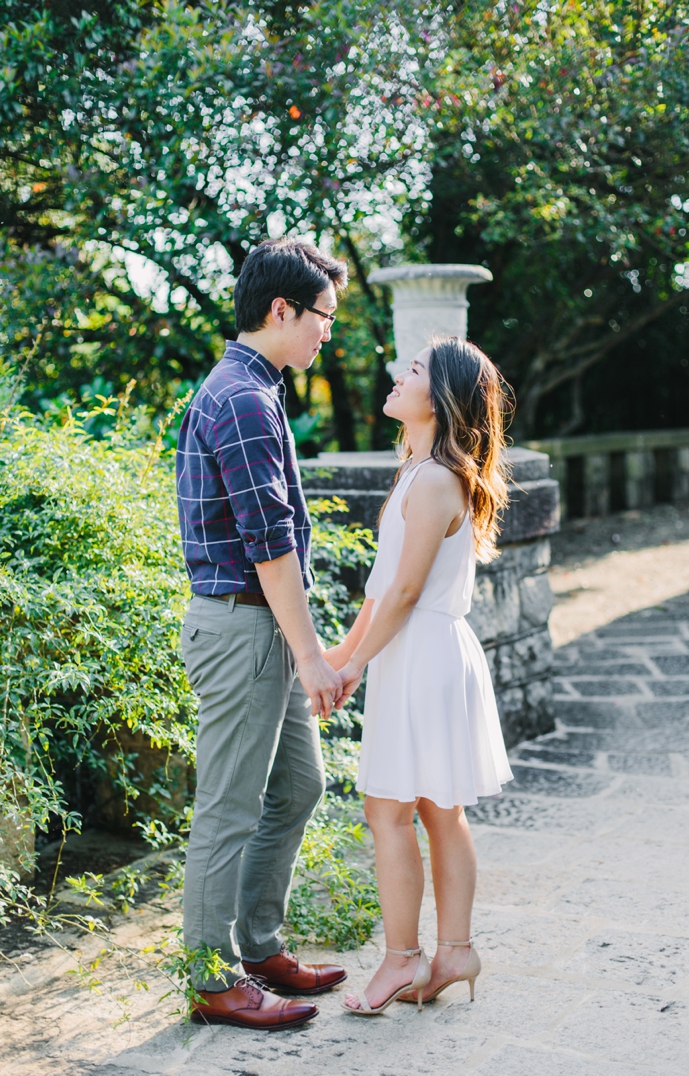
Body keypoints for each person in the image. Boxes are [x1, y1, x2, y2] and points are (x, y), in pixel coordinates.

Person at [177, 237, 355, 1029]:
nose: (328, 332)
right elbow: (270, 543)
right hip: (245, 630)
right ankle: (213, 980)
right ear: (281, 310)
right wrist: (313, 657)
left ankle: (257, 945)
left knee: (297, 787)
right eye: (323, 316)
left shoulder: (256, 388)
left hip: (263, 628)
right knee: (227, 807)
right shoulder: (243, 399)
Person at [323, 337, 514, 1015]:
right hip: (415, 653)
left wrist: (349, 666)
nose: (396, 377)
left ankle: (404, 959)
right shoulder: (418, 470)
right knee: (432, 810)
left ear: (439, 398)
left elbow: (403, 597)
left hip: (425, 655)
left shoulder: (434, 480)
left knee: (391, 811)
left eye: (412, 371)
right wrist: (342, 660)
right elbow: (381, 591)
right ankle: (451, 952)